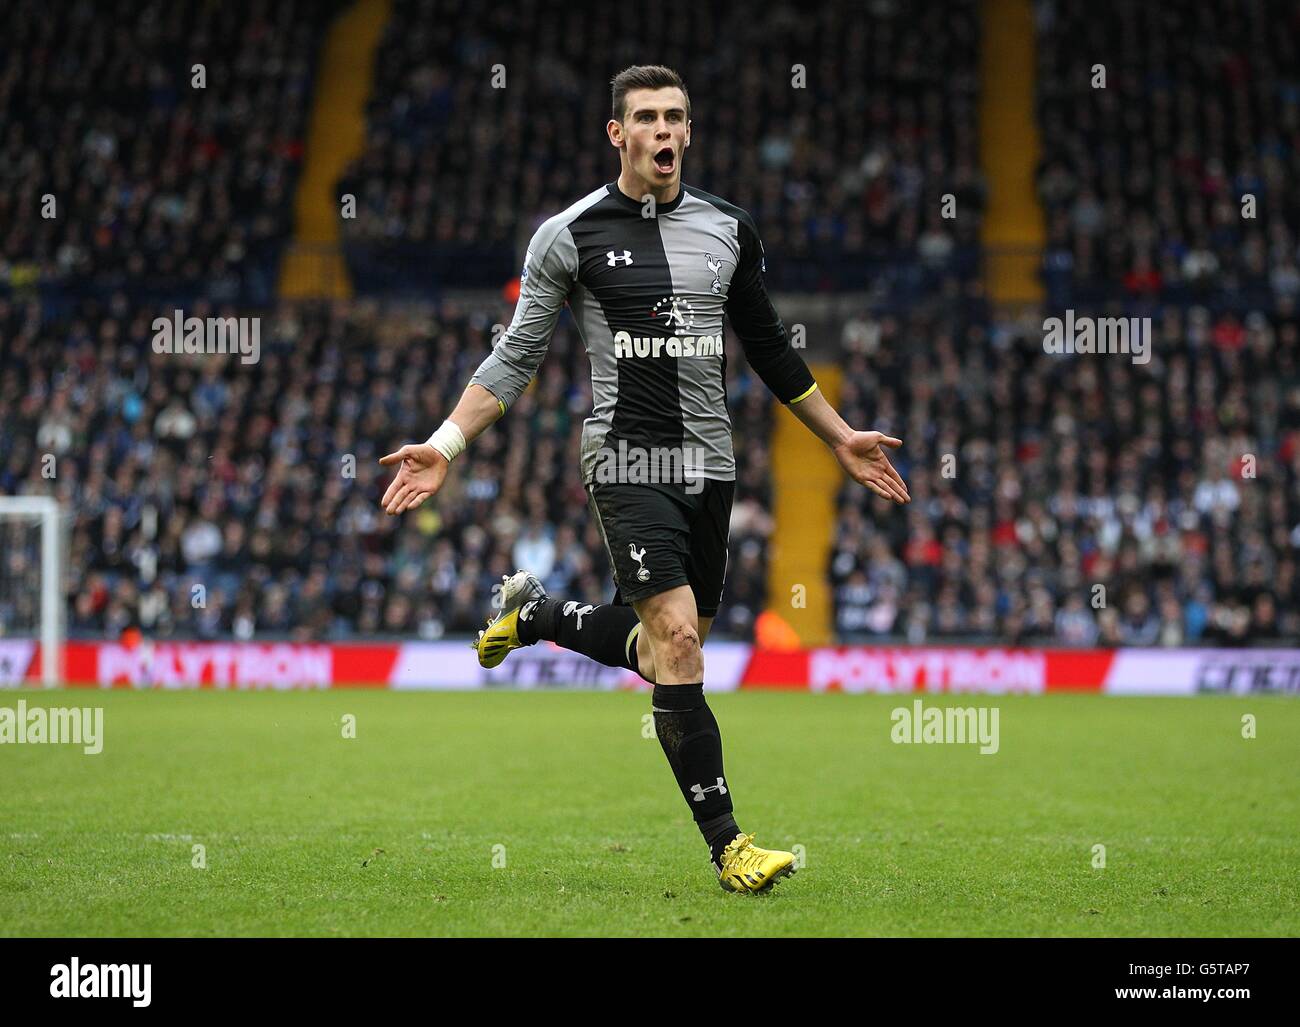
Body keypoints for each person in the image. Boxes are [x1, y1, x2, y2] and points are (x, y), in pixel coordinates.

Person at [379, 65, 909, 893]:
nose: (665, 132)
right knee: (681, 641)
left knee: (667, 654)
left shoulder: (730, 229)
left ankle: (539, 614)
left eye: (677, 118)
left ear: (689, 133)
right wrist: (445, 444)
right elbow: (516, 355)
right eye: (648, 119)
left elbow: (767, 345)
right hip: (627, 458)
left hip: (711, 463)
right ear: (617, 134)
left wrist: (838, 436)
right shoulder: (570, 234)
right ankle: (732, 847)